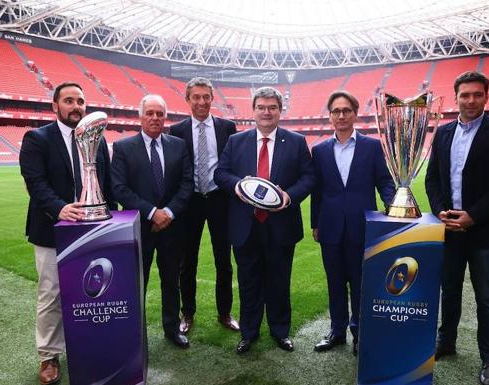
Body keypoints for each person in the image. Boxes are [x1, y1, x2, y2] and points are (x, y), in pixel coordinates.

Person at [425, 71, 489, 385]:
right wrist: (440, 210)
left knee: (486, 298)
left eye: (476, 94)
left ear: (486, 97)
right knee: (448, 291)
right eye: (464, 95)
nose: (470, 100)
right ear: (456, 98)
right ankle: (447, 342)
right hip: (449, 229)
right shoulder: (443, 134)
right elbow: (432, 179)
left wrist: (473, 215)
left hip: (484, 232)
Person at [19, 82, 116, 385]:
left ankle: (91, 346)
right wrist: (61, 208)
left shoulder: (96, 140)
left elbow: (107, 184)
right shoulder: (37, 138)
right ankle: (49, 355)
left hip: (93, 231)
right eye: (69, 101)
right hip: (52, 230)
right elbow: (35, 183)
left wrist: (112, 219)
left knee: (96, 290)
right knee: (52, 294)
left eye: (81, 101)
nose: (76, 106)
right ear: (55, 107)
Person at [214, 87, 315, 354]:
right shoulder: (237, 141)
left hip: (281, 225)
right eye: (261, 107)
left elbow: (309, 178)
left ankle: (280, 331)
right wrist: (238, 186)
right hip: (245, 226)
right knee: (248, 282)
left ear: (280, 111)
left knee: (279, 281)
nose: (266, 112)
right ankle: (249, 332)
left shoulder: (296, 141)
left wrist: (288, 197)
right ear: (254, 110)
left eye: (272, 107)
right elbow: (220, 174)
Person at [310, 91, 394, 356]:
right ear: (330, 115)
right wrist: (315, 223)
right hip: (330, 227)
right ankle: (337, 331)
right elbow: (317, 191)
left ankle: (360, 332)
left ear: (355, 114)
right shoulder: (320, 150)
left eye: (347, 110)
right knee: (335, 282)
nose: (342, 115)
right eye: (336, 111)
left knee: (360, 283)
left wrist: (393, 206)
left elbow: (384, 181)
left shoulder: (371, 146)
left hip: (362, 226)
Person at [111, 94, 193, 349]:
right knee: (137, 283)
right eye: (150, 113)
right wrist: (152, 212)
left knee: (171, 281)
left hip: (171, 228)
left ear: (165, 117)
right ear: (141, 116)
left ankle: (172, 329)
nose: (155, 118)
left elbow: (187, 184)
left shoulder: (178, 145)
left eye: (160, 113)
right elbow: (119, 189)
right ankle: (135, 334)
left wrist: (167, 212)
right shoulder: (123, 148)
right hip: (138, 228)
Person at [169, 77, 239, 334]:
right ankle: (187, 313)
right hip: (190, 203)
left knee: (224, 260)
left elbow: (233, 163)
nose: (201, 102)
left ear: (212, 98)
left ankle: (225, 312)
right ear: (187, 100)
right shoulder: (177, 131)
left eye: (205, 97)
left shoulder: (227, 127)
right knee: (187, 262)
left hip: (220, 200)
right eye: (196, 97)